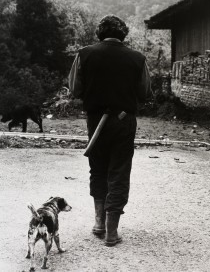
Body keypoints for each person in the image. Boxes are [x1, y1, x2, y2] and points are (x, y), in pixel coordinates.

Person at [69, 15, 151, 246]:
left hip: (95, 121)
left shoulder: (84, 54)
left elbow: (75, 89)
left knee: (98, 169)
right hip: (124, 122)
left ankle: (98, 223)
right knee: (119, 172)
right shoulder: (137, 58)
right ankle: (112, 233)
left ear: (99, 33)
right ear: (123, 33)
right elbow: (145, 92)